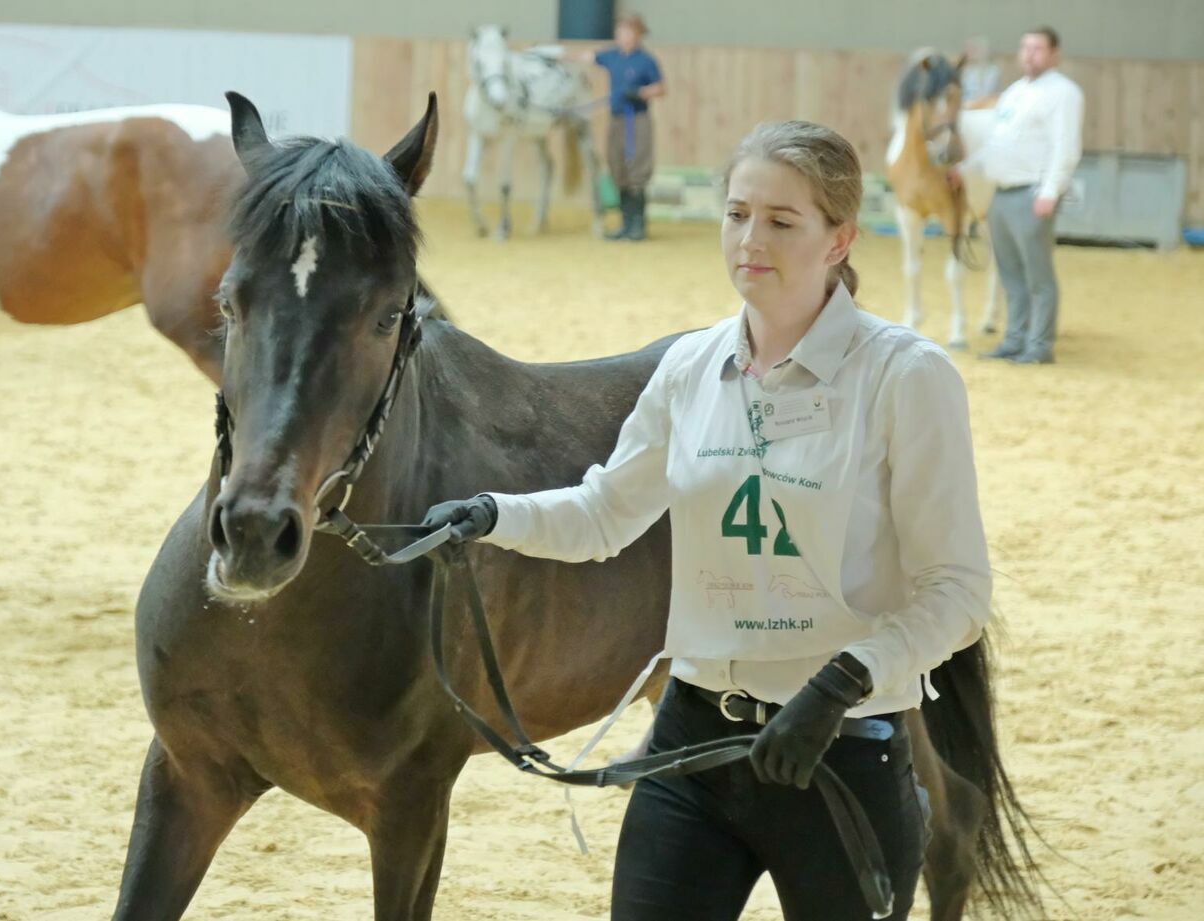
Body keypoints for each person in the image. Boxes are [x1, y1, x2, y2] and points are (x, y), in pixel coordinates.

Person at [423, 120, 991, 920]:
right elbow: (603, 513)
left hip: (841, 754)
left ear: (840, 240)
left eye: (782, 221)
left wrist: (839, 683)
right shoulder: (689, 367)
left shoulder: (906, 377)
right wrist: (488, 515)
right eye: (736, 214)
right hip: (691, 746)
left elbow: (957, 591)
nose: (749, 239)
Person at [980, 26, 1084, 364]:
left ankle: (1039, 346)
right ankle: (1014, 339)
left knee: (1037, 275)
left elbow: (1065, 147)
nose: (1029, 54)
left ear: (1054, 54)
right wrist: (964, 168)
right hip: (1002, 192)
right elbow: (996, 142)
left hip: (1031, 192)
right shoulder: (1013, 92)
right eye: (1025, 47)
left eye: (1037, 48)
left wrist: (1050, 191)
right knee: (1010, 274)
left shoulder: (1063, 93)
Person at [578, 13, 665, 241]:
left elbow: (660, 88)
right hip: (616, 119)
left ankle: (638, 225)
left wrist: (639, 93)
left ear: (637, 35)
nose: (622, 37)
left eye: (626, 32)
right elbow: (587, 56)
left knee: (637, 167)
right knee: (617, 166)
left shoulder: (645, 61)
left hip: (636, 119)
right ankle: (625, 224)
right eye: (619, 33)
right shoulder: (611, 56)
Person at [959, 36, 1001, 104]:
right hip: (967, 106)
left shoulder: (993, 71)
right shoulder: (966, 70)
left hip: (985, 106)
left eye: (971, 49)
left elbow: (990, 94)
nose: (967, 53)